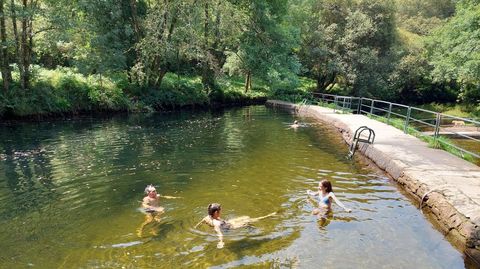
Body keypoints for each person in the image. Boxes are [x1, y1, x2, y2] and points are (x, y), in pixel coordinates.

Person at [195, 203, 276, 248]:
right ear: (216, 213)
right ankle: (267, 216)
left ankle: (266, 217)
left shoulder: (207, 217)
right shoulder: (217, 224)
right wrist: (221, 242)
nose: (221, 212)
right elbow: (219, 232)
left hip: (227, 222)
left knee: (246, 217)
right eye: (220, 211)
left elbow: (201, 222)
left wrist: (196, 227)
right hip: (229, 227)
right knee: (247, 222)